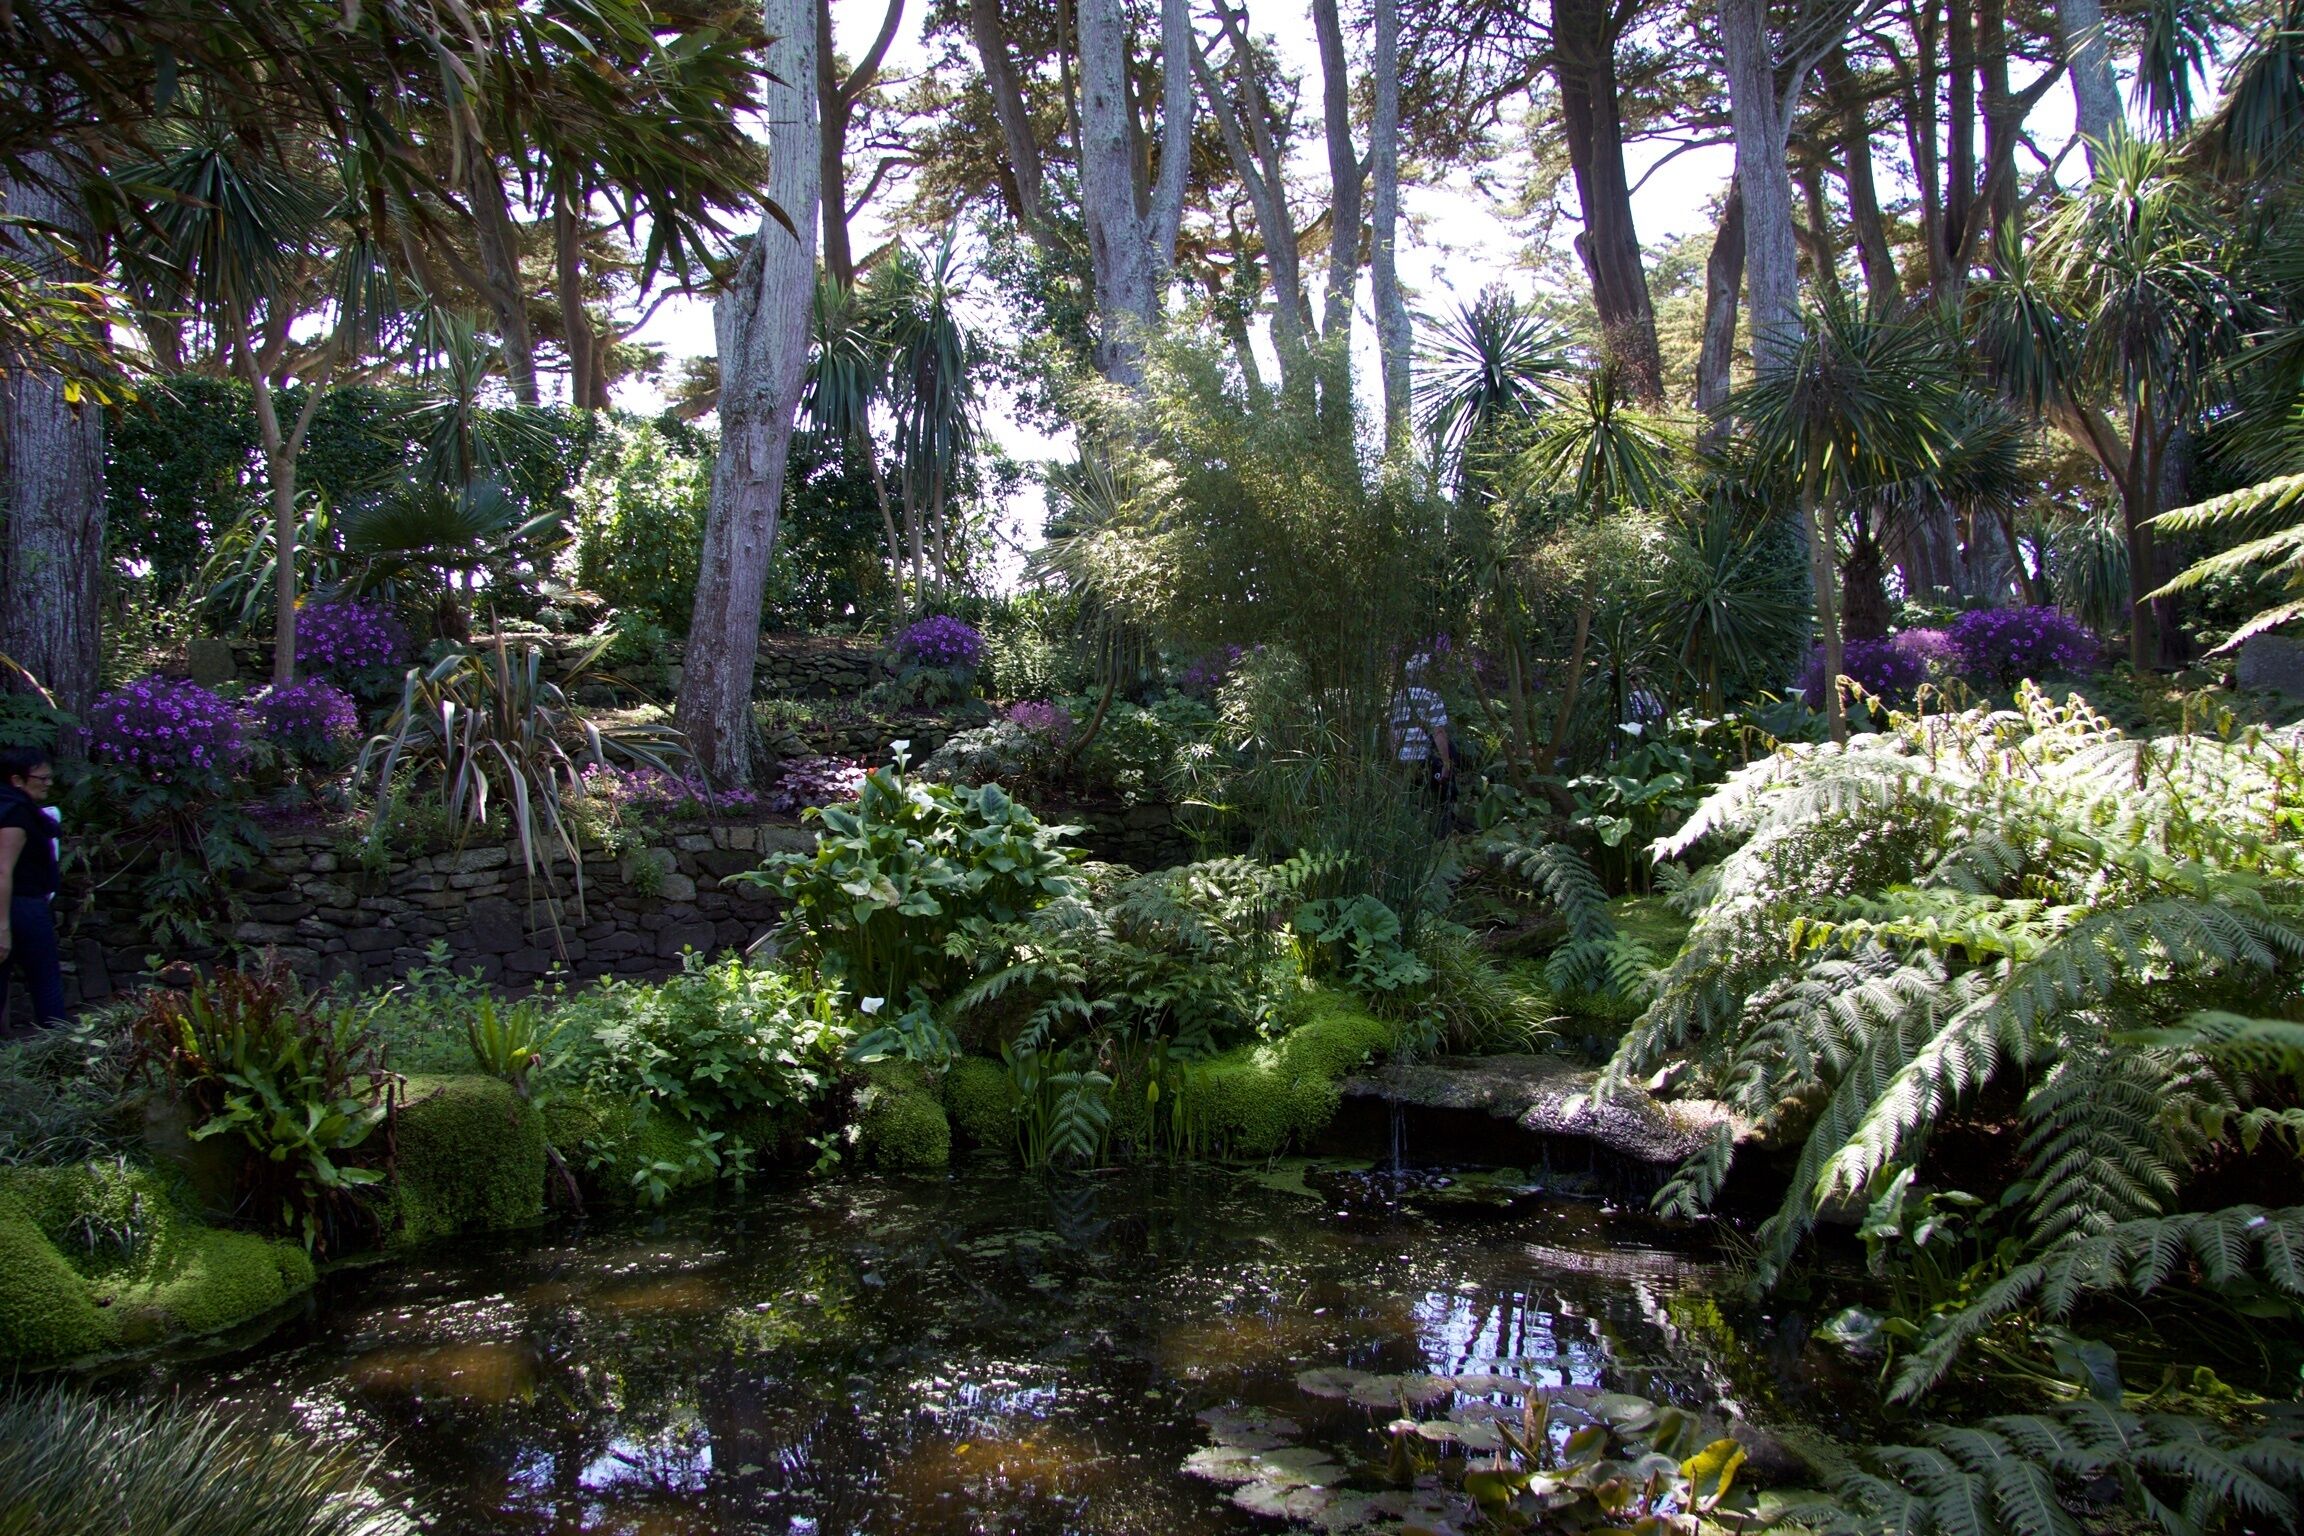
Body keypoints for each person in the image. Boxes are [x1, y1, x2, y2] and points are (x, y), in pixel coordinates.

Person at [0, 744, 65, 1031]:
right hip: (20, 906)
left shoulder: (11, 806)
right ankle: (61, 1049)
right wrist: (2, 926)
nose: (49, 784)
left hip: (17, 905)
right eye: (42, 778)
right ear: (17, 780)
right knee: (45, 979)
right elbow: (2, 871)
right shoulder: (14, 814)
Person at [1389, 654, 1455, 809]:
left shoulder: (1397, 699)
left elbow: (1391, 731)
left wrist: (1395, 757)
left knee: (1402, 803)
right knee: (1430, 803)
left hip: (1400, 761)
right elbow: (1438, 732)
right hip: (1423, 760)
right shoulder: (1431, 697)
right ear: (1426, 673)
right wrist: (1446, 763)